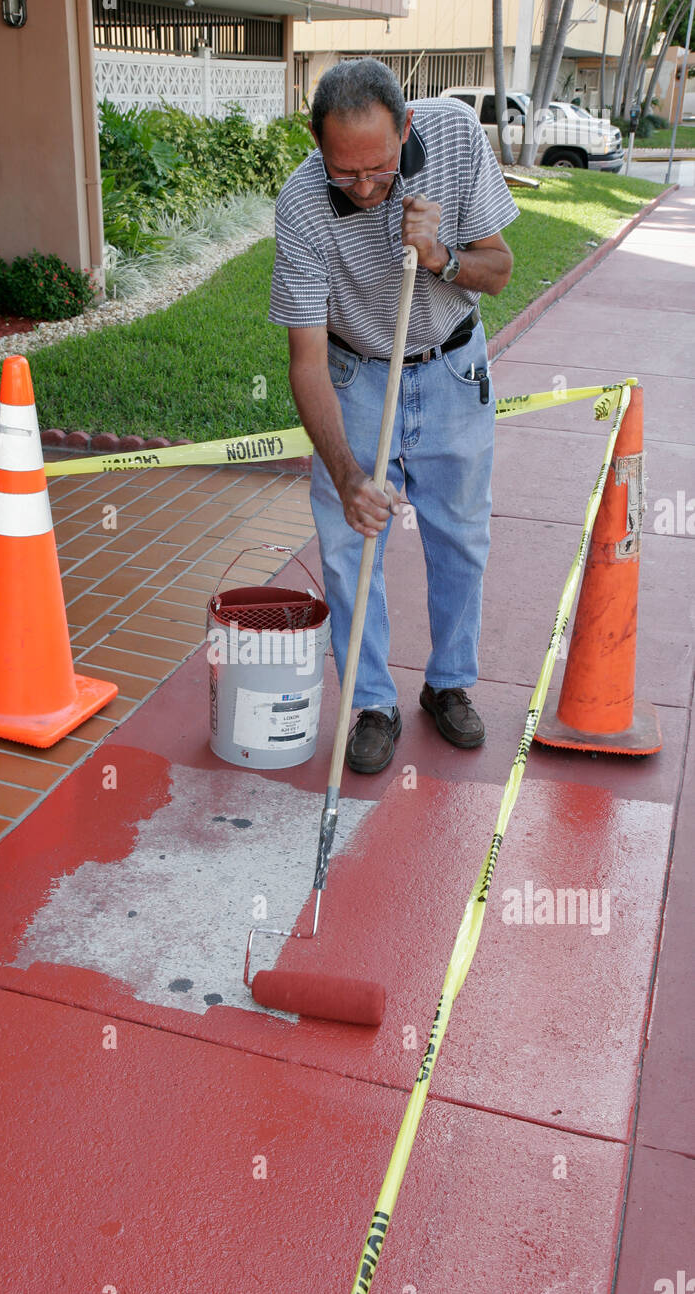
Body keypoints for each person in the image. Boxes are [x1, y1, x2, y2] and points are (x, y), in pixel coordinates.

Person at [269, 59, 519, 772]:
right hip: (354, 373)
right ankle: (370, 702)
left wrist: (438, 255)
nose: (365, 188)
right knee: (350, 551)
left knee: (460, 538)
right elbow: (306, 360)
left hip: (450, 364)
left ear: (404, 127)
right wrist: (345, 474)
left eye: (377, 168)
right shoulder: (301, 205)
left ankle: (447, 685)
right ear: (317, 146)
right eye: (343, 173)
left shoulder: (455, 135)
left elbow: (498, 270)